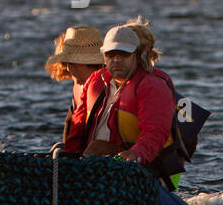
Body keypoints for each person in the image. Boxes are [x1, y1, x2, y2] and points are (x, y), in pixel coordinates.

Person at [80, 25, 185, 184]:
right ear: (103, 56)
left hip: (155, 168)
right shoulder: (95, 82)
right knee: (95, 148)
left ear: (137, 55)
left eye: (124, 53)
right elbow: (77, 129)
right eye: (111, 54)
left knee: (97, 148)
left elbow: (155, 132)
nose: (117, 59)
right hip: (106, 164)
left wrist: (136, 154)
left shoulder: (152, 85)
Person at [45, 26, 103, 154]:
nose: (67, 69)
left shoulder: (103, 86)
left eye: (67, 63)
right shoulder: (80, 88)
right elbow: (71, 128)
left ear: (78, 63)